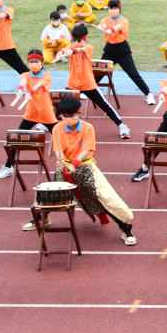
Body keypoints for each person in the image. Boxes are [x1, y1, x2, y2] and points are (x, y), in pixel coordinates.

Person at [39, 94, 136, 245]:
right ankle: (42, 218)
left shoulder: (87, 128)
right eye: (64, 116)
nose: (67, 119)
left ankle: (125, 227)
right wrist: (64, 163)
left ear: (79, 113)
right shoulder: (58, 128)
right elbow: (57, 150)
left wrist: (75, 164)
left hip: (85, 166)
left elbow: (87, 149)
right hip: (65, 166)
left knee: (102, 197)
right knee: (52, 193)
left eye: (70, 116)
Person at [0, 50, 58, 179]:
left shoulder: (47, 76)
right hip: (31, 113)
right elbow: (23, 82)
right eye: (31, 62)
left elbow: (40, 84)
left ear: (41, 62)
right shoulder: (25, 74)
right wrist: (20, 90)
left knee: (61, 138)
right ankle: (8, 167)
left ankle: (71, 163)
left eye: (36, 61)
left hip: (46, 113)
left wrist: (31, 91)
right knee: (16, 139)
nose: (34, 64)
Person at [64, 24, 131, 139]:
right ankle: (47, 124)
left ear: (84, 38)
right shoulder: (70, 47)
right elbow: (66, 49)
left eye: (78, 40)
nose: (75, 42)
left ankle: (122, 126)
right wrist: (62, 53)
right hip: (73, 84)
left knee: (104, 105)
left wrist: (73, 51)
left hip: (88, 84)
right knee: (60, 104)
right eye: (73, 40)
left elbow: (81, 50)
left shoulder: (88, 47)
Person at [98, 0, 155, 105]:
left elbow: (119, 27)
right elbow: (102, 25)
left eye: (115, 8)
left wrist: (111, 29)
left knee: (133, 73)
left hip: (122, 49)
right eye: (111, 8)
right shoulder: (105, 19)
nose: (113, 10)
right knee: (100, 71)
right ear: (108, 9)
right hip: (109, 49)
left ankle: (148, 94)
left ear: (119, 9)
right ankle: (89, 91)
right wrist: (102, 27)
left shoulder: (124, 20)